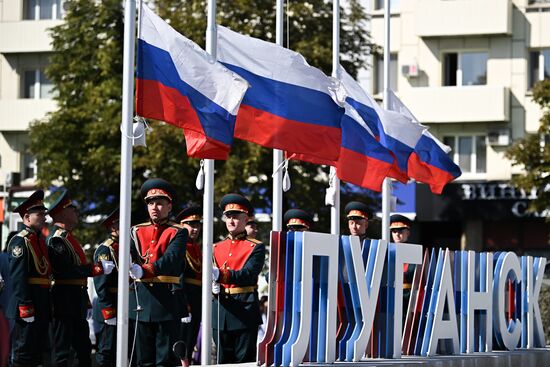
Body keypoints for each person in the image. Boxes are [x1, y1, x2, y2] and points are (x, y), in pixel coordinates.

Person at [47, 190, 114, 367]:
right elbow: (66, 271)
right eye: (72, 209)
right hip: (64, 298)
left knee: (83, 350)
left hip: (75, 298)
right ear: (62, 213)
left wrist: (84, 300)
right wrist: (95, 268)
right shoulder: (57, 240)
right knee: (62, 351)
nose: (76, 212)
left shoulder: (68, 238)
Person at [128, 178, 188, 366]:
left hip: (166, 301)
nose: (155, 207)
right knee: (143, 358)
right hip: (141, 301)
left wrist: (144, 270)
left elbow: (171, 259)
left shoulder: (178, 231)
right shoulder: (136, 231)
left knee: (165, 359)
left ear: (169, 207)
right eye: (151, 203)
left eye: (160, 203)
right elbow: (128, 257)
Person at [211, 193, 265, 363]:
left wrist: (221, 275)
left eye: (236, 217)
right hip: (220, 310)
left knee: (244, 362)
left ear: (246, 218)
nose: (231, 221)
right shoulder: (216, 247)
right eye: (228, 217)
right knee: (221, 361)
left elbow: (248, 274)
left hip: (244, 308)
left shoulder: (255, 247)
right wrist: (213, 287)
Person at [5, 190, 52, 367]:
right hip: (28, 304)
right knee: (23, 353)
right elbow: (18, 276)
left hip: (41, 303)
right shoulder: (20, 241)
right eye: (40, 214)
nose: (44, 218)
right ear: (26, 218)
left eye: (44, 214)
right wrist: (25, 305)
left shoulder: (38, 240)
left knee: (37, 353)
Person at [175, 206, 203, 364]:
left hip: (197, 297)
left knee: (191, 340)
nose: (195, 228)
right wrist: (183, 305)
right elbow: (179, 277)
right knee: (182, 342)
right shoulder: (180, 246)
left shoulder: (197, 247)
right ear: (182, 225)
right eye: (191, 225)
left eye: (197, 225)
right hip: (185, 298)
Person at [93, 208, 120, 367]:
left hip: (123, 303)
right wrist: (108, 311)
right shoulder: (106, 249)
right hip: (111, 305)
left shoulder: (125, 246)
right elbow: (101, 284)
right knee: (106, 350)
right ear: (113, 227)